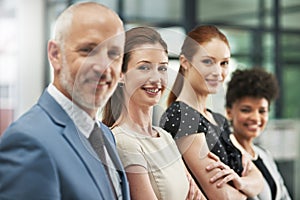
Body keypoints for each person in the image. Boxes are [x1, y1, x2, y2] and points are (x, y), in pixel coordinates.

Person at [0, 2, 130, 200]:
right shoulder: (28, 141)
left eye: (113, 54)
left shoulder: (105, 134)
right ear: (55, 54)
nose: (104, 67)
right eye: (88, 50)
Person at [159, 25, 264, 199]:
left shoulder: (216, 118)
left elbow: (258, 179)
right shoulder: (182, 117)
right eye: (208, 61)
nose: (218, 72)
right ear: (185, 62)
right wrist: (247, 189)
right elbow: (221, 195)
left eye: (224, 63)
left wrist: (240, 182)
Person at [102, 26, 206, 200]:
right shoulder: (124, 142)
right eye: (144, 68)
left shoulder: (165, 137)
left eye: (162, 68)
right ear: (121, 74)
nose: (156, 79)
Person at [225, 68, 292, 200]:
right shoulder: (227, 156)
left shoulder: (264, 155)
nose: (256, 118)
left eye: (262, 111)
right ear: (229, 112)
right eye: (246, 110)